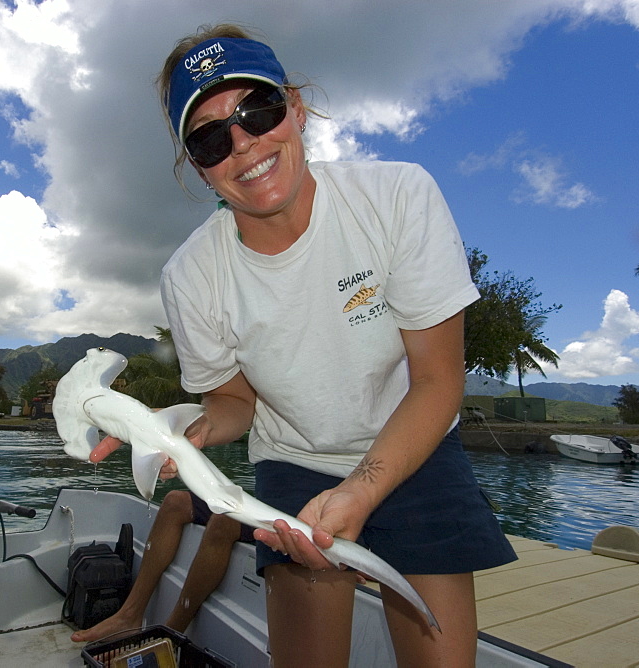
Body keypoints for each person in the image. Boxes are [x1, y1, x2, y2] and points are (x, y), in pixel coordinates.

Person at [91, 23, 517, 667]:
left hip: (416, 445)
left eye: (256, 112)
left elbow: (437, 381)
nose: (243, 146)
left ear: (296, 108)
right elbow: (235, 400)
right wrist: (190, 431)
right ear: (198, 168)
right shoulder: (189, 275)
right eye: (210, 138)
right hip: (293, 464)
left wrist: (363, 490)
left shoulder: (398, 197)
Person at [70, 489, 254, 643]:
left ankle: (169, 636)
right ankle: (129, 616)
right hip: (267, 496)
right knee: (175, 502)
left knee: (224, 520)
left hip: (281, 512)